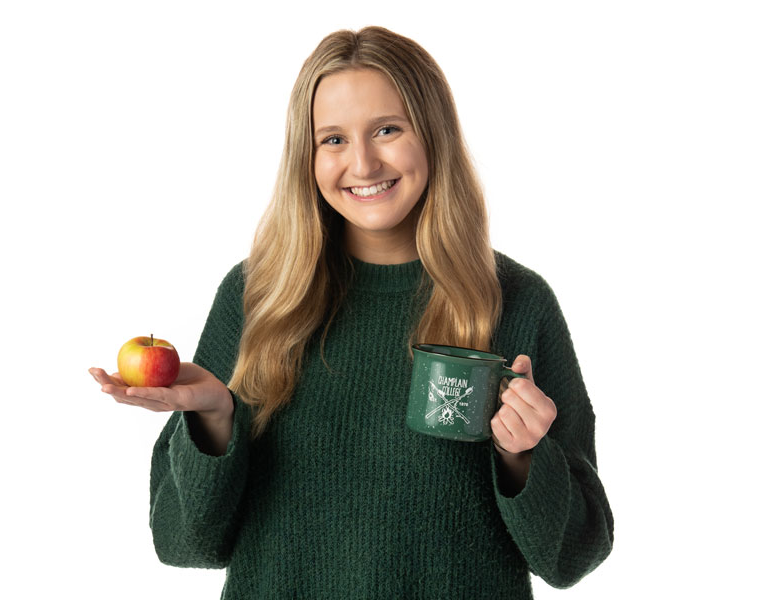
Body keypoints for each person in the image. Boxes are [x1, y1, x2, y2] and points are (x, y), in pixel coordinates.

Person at [90, 25, 613, 599]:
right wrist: (215, 423)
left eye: (387, 130)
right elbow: (183, 544)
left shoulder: (517, 301)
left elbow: (574, 557)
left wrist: (523, 458)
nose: (363, 164)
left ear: (433, 135)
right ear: (306, 157)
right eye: (333, 139)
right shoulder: (255, 297)